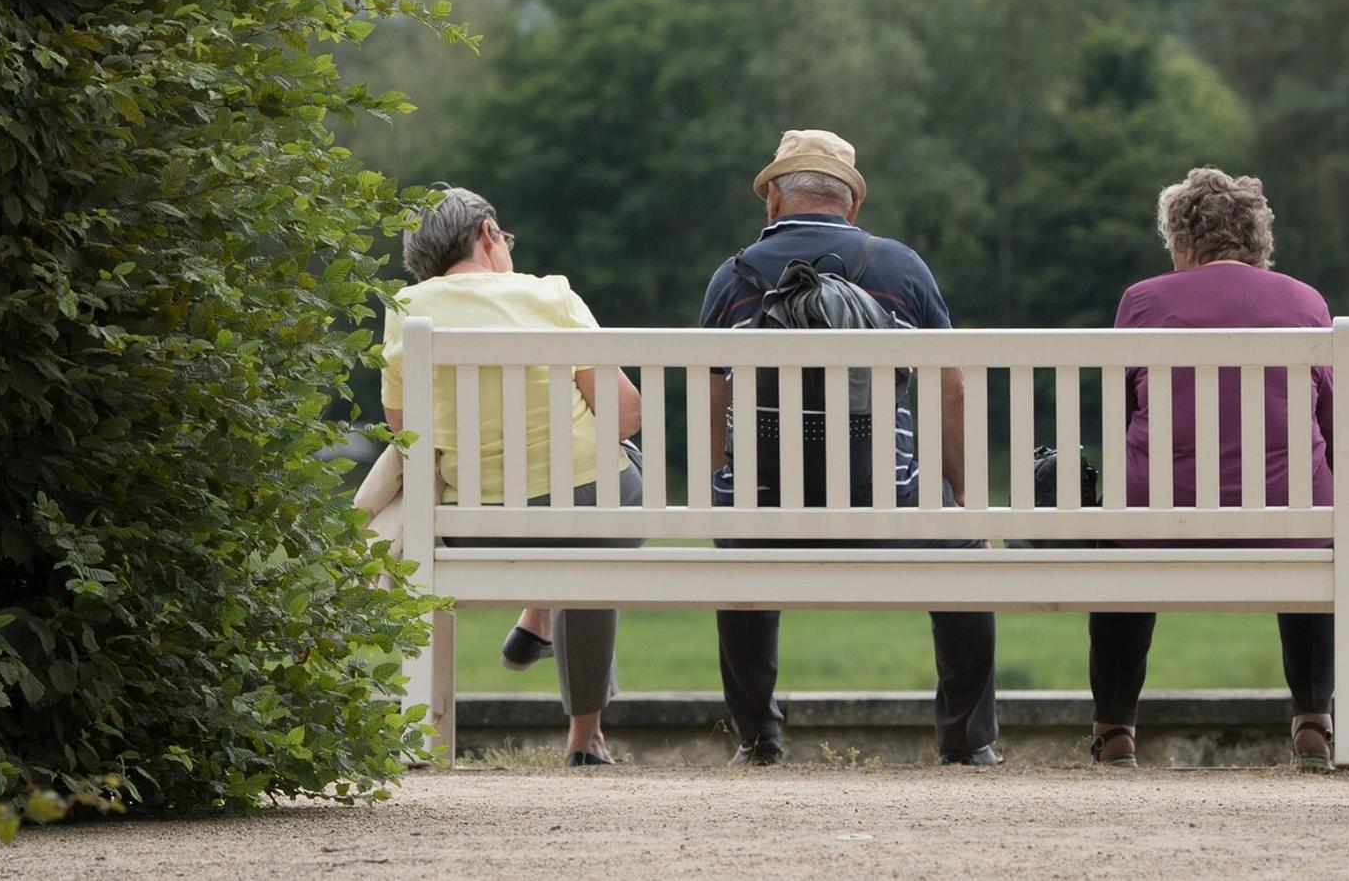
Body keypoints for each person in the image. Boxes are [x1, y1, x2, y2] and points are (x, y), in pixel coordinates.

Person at [698, 130, 1000, 766]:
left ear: (774, 201)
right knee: (966, 542)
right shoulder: (898, 267)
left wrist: (717, 486)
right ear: (851, 206)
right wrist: (962, 495)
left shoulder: (734, 277)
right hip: (887, 512)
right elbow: (951, 384)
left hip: (763, 517)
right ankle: (966, 743)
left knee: (735, 525)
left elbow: (710, 399)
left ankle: (757, 739)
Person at [370, 186, 644, 767]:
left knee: (578, 531)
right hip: (591, 514)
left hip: (478, 525)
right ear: (488, 233)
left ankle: (539, 612)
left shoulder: (405, 309)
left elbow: (404, 433)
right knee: (599, 510)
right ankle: (584, 737)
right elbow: (625, 415)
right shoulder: (552, 297)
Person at [1085, 167, 1338, 770]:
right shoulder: (1307, 303)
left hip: (1156, 524)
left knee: (1121, 526)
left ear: (1182, 240)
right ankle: (1313, 720)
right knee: (1311, 521)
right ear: (1257, 240)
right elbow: (1330, 421)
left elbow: (1121, 415)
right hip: (1289, 525)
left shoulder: (1143, 302)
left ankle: (1114, 728)